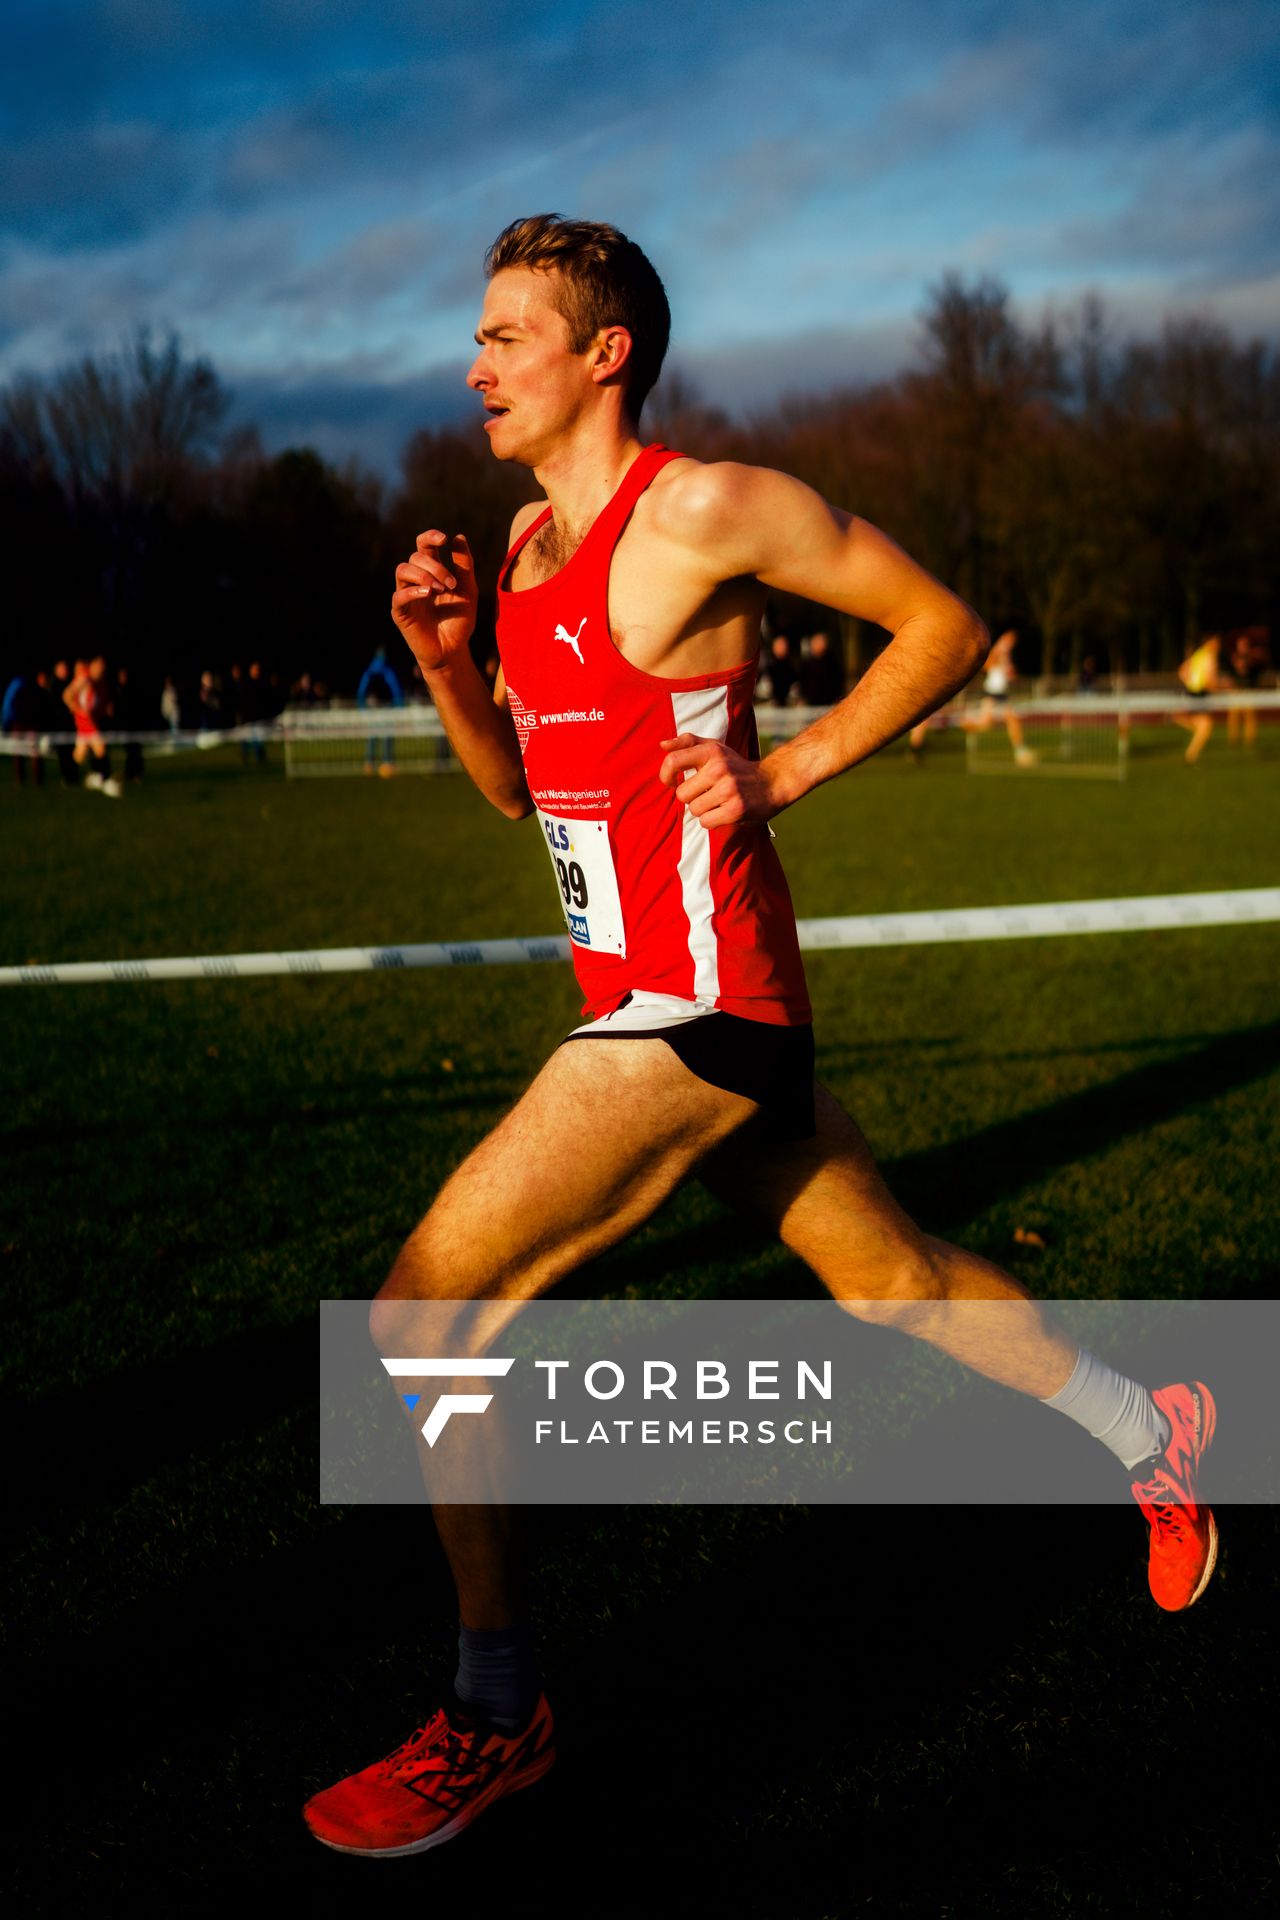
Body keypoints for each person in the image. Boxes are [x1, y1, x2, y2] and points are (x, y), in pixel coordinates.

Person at [303, 215, 1218, 1860]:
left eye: (507, 334)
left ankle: (498, 1714)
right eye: (479, 336)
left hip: (704, 1009)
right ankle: (1148, 1433)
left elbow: (945, 627)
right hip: (642, 1009)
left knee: (420, 1315)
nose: (475, 364)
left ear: (605, 355)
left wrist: (781, 774)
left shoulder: (704, 510)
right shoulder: (523, 548)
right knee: (897, 1283)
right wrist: (446, 663)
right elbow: (519, 792)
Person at [963, 627, 1037, 766]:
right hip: (992, 691)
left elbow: (1006, 673)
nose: (1011, 642)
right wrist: (996, 662)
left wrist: (1010, 673)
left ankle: (1020, 751)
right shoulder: (998, 651)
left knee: (1010, 720)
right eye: (1009, 640)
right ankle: (966, 724)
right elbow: (986, 665)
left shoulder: (1006, 654)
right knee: (989, 724)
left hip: (1000, 692)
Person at [63, 656, 121, 798]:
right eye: (98, 664)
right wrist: (78, 710)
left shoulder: (101, 682)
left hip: (93, 721)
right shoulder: (84, 679)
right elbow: (67, 695)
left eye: (103, 665)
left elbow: (99, 703)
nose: (101, 667)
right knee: (100, 747)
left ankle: (75, 777)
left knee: (80, 754)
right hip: (85, 721)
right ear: (92, 665)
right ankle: (106, 780)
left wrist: (106, 709)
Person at [1175, 634, 1227, 764]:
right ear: (1209, 643)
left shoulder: (1198, 654)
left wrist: (1190, 683)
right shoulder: (1210, 656)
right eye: (1216, 643)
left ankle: (1190, 756)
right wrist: (1222, 688)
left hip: (1193, 692)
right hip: (1200, 693)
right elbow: (1211, 679)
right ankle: (1190, 757)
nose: (1218, 646)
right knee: (1205, 727)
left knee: (1204, 726)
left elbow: (1182, 671)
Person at [356, 644, 406, 775]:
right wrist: (399, 706)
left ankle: (369, 764)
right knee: (387, 736)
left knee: (373, 735)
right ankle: (387, 762)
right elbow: (396, 689)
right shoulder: (388, 670)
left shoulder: (370, 670)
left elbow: (361, 691)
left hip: (373, 708)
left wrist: (362, 707)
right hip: (387, 707)